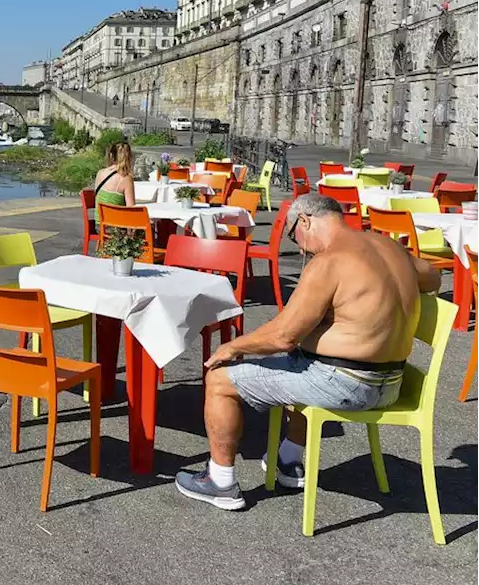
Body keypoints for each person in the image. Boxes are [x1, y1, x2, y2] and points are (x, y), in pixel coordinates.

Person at [176, 193, 441, 510]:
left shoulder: (328, 262)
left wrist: (232, 347)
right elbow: (433, 277)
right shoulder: (390, 247)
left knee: (220, 380)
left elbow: (284, 335)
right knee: (299, 361)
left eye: (294, 237)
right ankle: (289, 461)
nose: (299, 248)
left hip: (346, 384)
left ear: (305, 220)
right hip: (392, 385)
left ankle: (220, 482)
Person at [92, 141, 137, 212]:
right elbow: (131, 209)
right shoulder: (126, 179)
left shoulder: (100, 173)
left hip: (99, 221)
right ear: (129, 157)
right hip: (116, 221)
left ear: (111, 156)